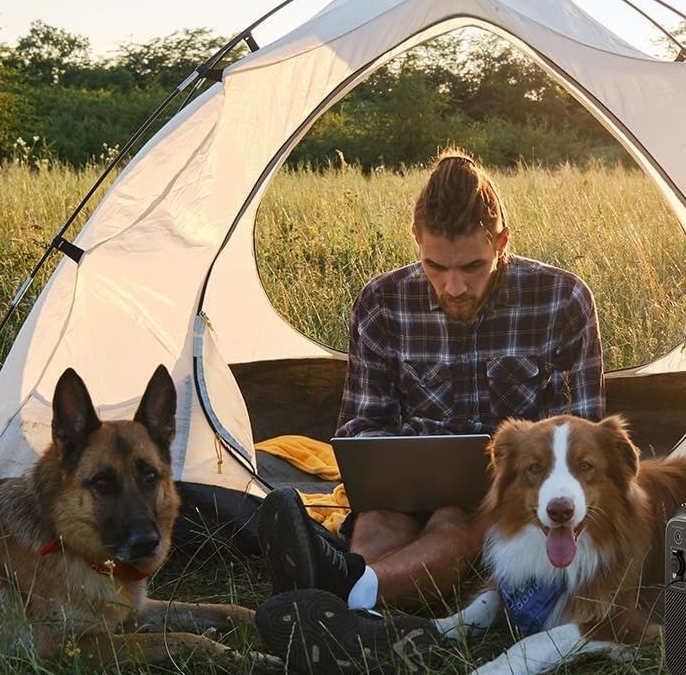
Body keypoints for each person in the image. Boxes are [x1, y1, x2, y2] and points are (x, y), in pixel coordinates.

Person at [255, 147, 604, 621]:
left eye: (472, 268)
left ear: (501, 242)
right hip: (408, 489)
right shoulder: (382, 303)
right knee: (379, 518)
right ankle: (356, 610)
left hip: (518, 493)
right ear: (416, 240)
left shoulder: (562, 300)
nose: (454, 287)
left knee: (451, 523)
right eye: (435, 267)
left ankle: (335, 596)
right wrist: (390, 466)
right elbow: (362, 426)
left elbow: (587, 434)